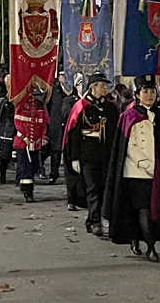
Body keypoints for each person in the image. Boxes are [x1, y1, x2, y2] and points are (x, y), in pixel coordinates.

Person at [103, 74, 160, 263]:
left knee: (152, 210)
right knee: (141, 208)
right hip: (135, 172)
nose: (149, 95)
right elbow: (125, 147)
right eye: (145, 91)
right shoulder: (128, 116)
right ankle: (150, 246)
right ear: (138, 94)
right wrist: (143, 162)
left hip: (158, 173)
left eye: (152, 91)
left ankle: (141, 239)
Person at [62, 73, 119, 236]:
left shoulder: (110, 108)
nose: (105, 89)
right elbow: (73, 134)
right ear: (93, 87)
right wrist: (74, 158)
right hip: (87, 155)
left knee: (104, 188)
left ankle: (98, 218)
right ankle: (95, 221)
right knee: (92, 188)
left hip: (106, 154)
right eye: (102, 86)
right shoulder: (82, 107)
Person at [14, 86, 50, 203]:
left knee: (35, 166)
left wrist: (43, 137)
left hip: (36, 142)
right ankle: (28, 192)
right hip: (22, 142)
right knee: (26, 168)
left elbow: (44, 123)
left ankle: (24, 183)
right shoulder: (21, 104)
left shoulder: (41, 107)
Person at [61, 73, 87, 211]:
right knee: (71, 172)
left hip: (87, 142)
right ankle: (71, 198)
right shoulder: (70, 100)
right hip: (71, 140)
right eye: (80, 83)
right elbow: (65, 115)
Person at [43, 72, 68, 185]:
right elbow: (47, 107)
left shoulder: (70, 91)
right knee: (54, 151)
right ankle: (53, 173)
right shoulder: (53, 90)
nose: (63, 78)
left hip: (66, 124)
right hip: (55, 125)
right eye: (62, 75)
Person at [0, 75, 14, 185]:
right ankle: (2, 173)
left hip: (17, 126)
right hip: (4, 127)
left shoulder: (21, 93)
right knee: (4, 155)